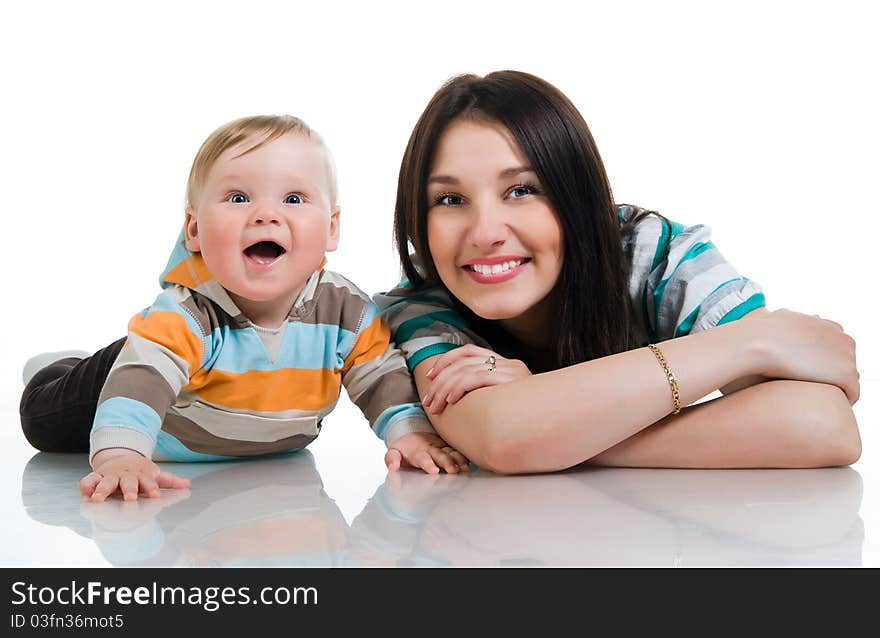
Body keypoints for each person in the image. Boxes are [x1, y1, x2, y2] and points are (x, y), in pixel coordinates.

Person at [377, 70, 861, 474]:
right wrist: (751, 342)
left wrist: (553, 430)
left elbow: (820, 424)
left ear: (578, 195)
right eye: (449, 199)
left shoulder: (655, 255)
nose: (485, 232)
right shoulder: (421, 304)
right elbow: (501, 436)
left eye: (522, 190)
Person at [19, 115, 468, 502]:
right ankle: (59, 368)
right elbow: (140, 384)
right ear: (193, 230)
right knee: (43, 418)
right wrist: (123, 455)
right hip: (135, 379)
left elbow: (380, 376)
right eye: (238, 198)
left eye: (293, 199)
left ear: (331, 228)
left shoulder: (345, 311)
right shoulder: (188, 315)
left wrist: (409, 434)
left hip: (209, 404)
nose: (265, 215)